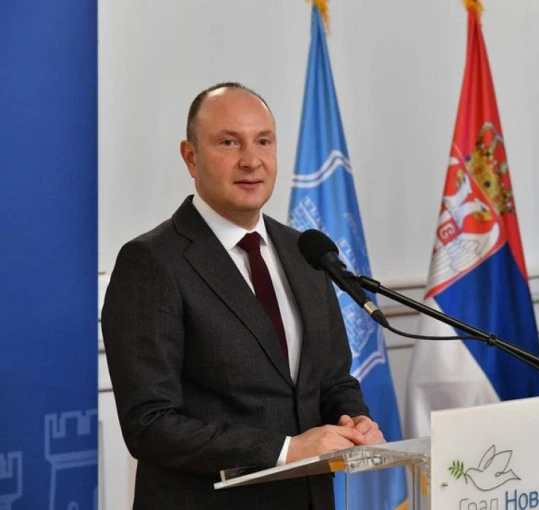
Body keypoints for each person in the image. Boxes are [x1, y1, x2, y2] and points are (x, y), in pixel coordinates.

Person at [102, 82, 384, 510]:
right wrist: (286, 450)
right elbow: (150, 424)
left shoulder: (306, 251)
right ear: (190, 156)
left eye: (263, 141)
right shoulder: (151, 262)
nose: (251, 160)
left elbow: (332, 379)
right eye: (229, 142)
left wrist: (354, 419)